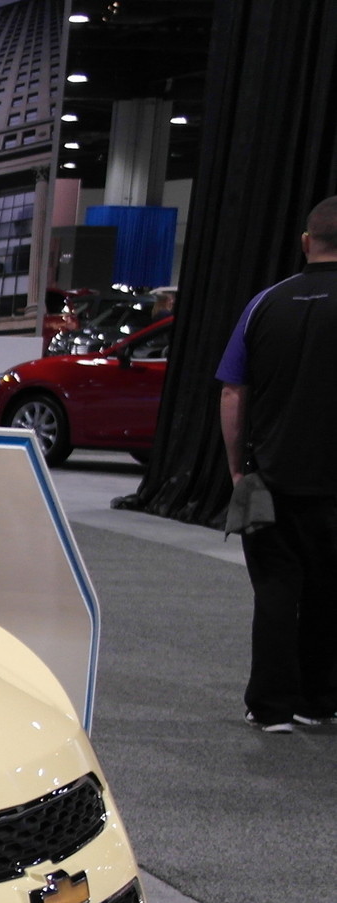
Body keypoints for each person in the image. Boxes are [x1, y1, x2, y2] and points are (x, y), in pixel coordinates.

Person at [219, 195, 337, 732]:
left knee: (275, 591)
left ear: (307, 242)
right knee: (328, 593)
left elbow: (232, 393)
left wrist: (238, 469)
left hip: (271, 478)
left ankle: (270, 708)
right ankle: (319, 700)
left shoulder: (264, 303)